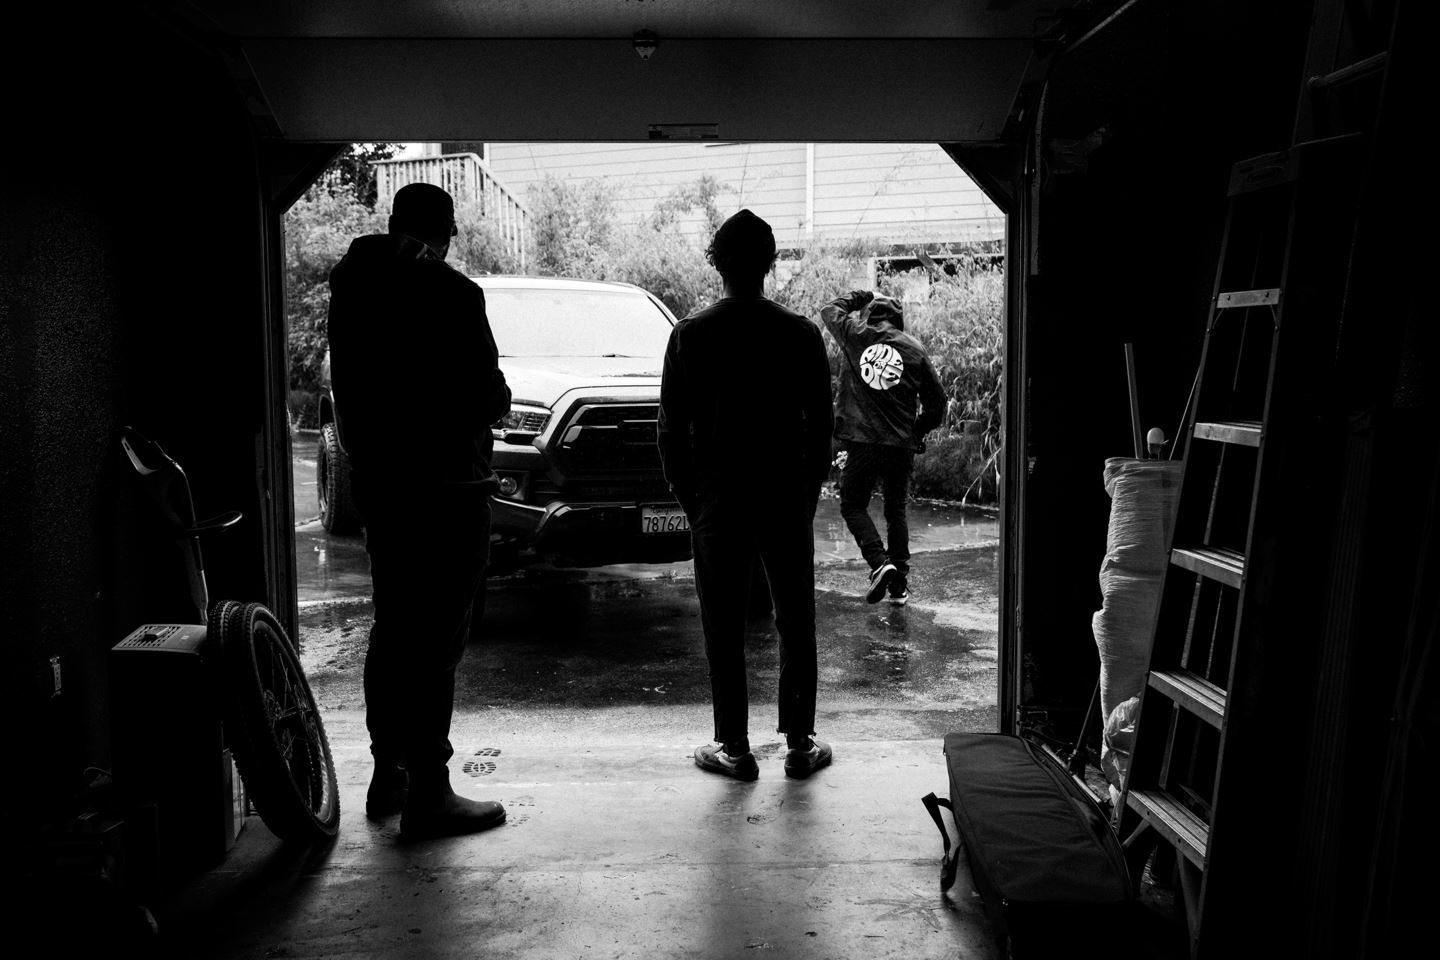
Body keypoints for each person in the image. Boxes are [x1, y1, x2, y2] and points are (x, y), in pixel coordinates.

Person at [327, 182, 512, 839]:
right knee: (438, 640)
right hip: (449, 493)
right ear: (442, 230)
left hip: (386, 490)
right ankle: (431, 791)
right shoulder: (454, 294)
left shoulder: (350, 290)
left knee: (395, 628)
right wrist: (493, 397)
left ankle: (389, 775)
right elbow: (486, 394)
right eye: (453, 231)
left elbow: (351, 393)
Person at [657, 209, 835, 781]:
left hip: (718, 498)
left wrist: (694, 501)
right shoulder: (800, 334)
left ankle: (734, 747)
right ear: (771, 262)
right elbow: (822, 428)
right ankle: (801, 744)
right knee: (795, 617)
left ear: (717, 262)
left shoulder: (690, 335)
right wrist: (804, 496)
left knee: (723, 620)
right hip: (783, 494)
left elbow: (670, 435)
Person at [819, 290, 946, 605]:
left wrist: (861, 296)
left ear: (869, 315)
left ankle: (879, 562)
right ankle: (898, 587)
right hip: (899, 445)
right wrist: (916, 430)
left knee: (852, 504)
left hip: (863, 441)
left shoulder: (855, 334)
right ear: (897, 319)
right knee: (895, 511)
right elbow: (938, 403)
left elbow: (829, 309)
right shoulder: (914, 350)